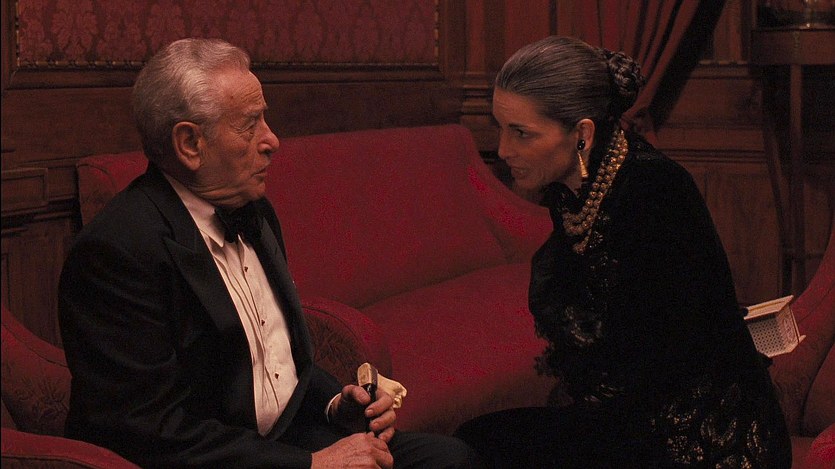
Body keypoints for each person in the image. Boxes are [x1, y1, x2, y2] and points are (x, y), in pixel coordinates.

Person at [58, 37, 479, 469]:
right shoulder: (116, 252)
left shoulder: (251, 209)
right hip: (216, 458)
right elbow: (148, 432)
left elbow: (274, 364)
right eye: (249, 125)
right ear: (190, 144)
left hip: (289, 436)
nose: (272, 140)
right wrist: (313, 465)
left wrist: (335, 404)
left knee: (451, 459)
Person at [453, 36, 791, 468]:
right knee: (470, 443)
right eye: (500, 128)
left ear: (582, 134)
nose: (503, 150)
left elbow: (663, 360)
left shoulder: (655, 191)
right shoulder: (573, 185)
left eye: (521, 133)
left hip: (699, 436)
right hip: (630, 415)